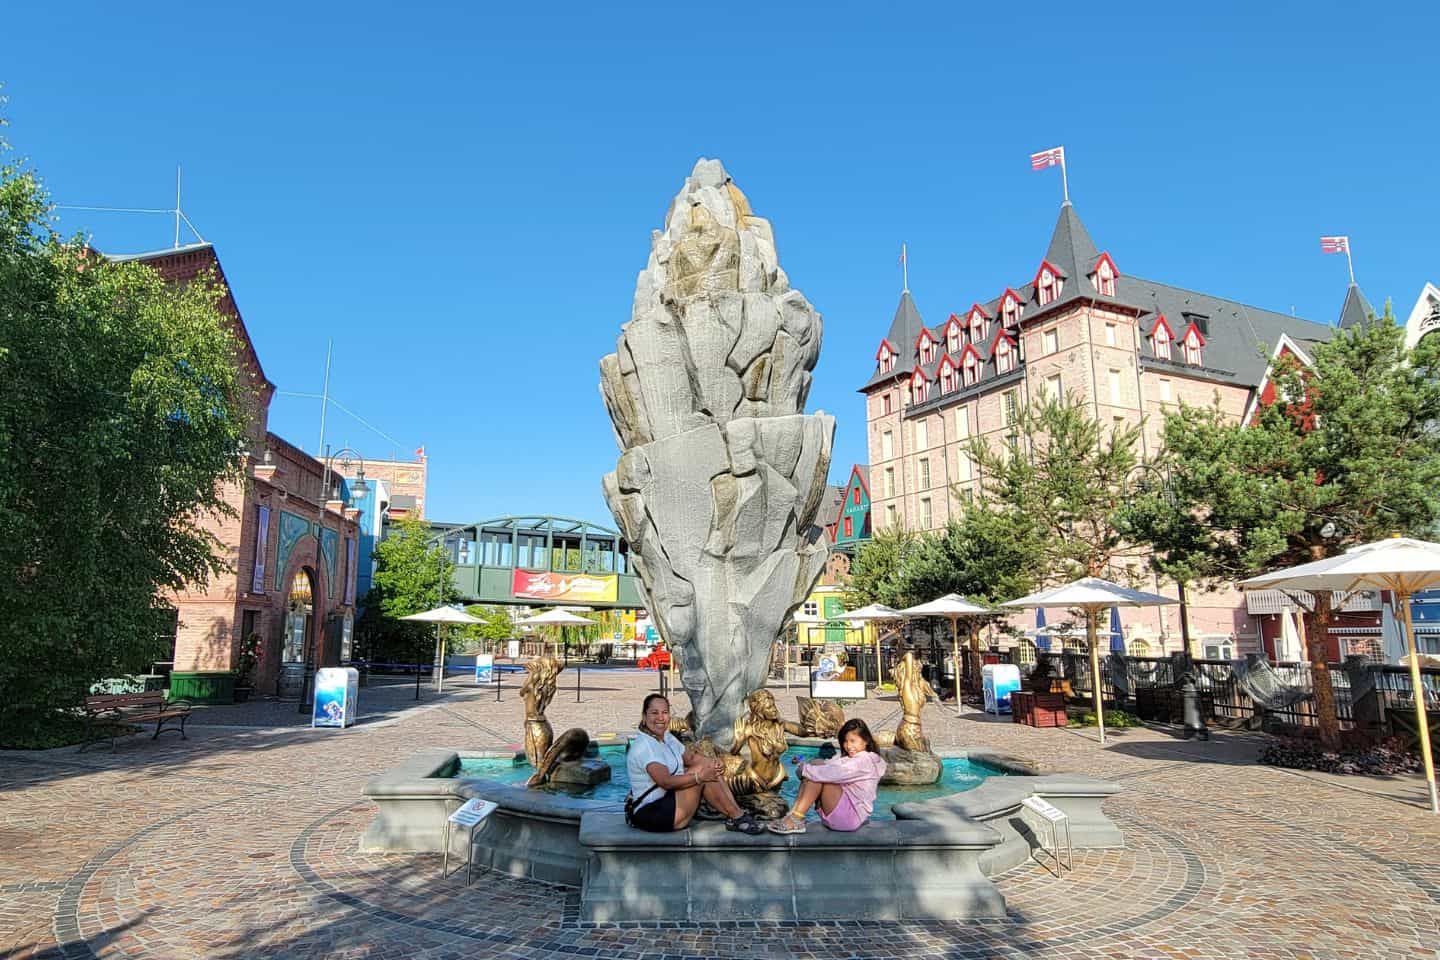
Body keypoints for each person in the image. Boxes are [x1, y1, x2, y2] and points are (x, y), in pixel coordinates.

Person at [625, 693, 765, 834]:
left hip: (670, 802)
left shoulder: (666, 737)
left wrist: (716, 763)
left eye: (665, 712)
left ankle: (737, 814)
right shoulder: (644, 746)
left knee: (709, 767)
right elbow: (665, 782)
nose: (660, 717)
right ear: (644, 717)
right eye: (654, 713)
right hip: (652, 813)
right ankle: (737, 817)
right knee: (704, 775)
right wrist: (700, 777)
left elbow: (692, 759)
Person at [767, 718, 886, 834]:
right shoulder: (854, 758)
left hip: (850, 817)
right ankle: (793, 815)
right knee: (817, 764)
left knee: (818, 775)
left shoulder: (864, 761)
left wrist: (804, 770)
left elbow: (832, 773)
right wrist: (805, 765)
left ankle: (796, 818)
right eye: (845, 741)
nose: (848, 746)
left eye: (853, 741)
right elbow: (828, 766)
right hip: (845, 814)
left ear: (865, 741)